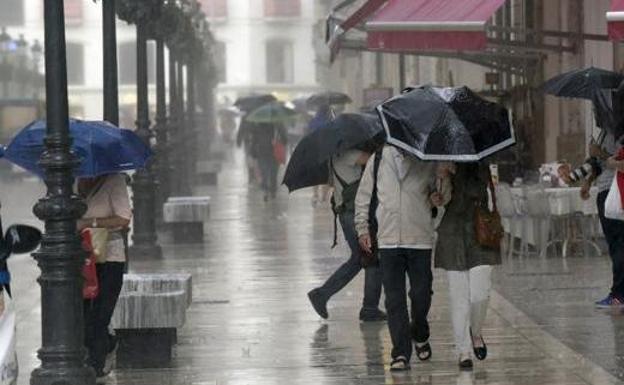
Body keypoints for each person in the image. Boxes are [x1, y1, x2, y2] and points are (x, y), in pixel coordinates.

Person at [355, 145, 438, 371]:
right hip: (389, 239)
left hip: (419, 238)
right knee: (394, 300)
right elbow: (364, 195)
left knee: (421, 294)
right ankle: (400, 353)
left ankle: (419, 331)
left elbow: (439, 196)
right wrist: (362, 228)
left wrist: (441, 189)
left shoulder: (427, 158)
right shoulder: (379, 157)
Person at [431, 162, 500, 370]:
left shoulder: (481, 158)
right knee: (458, 295)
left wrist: (460, 171)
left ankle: (475, 331)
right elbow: (440, 201)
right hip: (452, 231)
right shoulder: (441, 158)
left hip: (480, 229)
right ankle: (463, 350)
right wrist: (442, 177)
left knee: (480, 293)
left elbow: (482, 191)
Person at [307, 146, 385, 323]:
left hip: (347, 212)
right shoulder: (348, 153)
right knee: (370, 258)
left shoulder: (333, 156)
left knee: (362, 258)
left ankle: (325, 295)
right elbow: (372, 158)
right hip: (354, 213)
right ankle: (368, 308)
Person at [559, 133, 624, 307]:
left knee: (618, 244)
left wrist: (600, 153)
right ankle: (618, 292)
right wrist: (585, 180)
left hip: (615, 192)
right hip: (605, 190)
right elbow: (596, 163)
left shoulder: (618, 132)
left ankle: (619, 294)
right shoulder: (606, 130)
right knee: (615, 244)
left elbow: (612, 160)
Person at [77, 173, 132, 379]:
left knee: (99, 316)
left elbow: (124, 218)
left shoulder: (114, 180)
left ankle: (96, 368)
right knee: (82, 316)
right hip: (83, 259)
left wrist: (89, 222)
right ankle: (104, 346)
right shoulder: (74, 180)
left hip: (109, 258)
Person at [251, 122, 287, 201]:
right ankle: (272, 191)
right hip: (272, 153)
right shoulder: (278, 125)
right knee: (273, 174)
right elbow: (285, 140)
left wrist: (253, 153)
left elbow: (254, 141)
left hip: (264, 152)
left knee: (265, 173)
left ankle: (266, 191)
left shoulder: (258, 126)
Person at [308, 105, 333, 206]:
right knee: (325, 174)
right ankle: (323, 197)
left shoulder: (313, 122)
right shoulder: (330, 122)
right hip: (327, 150)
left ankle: (315, 194)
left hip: (314, 150)